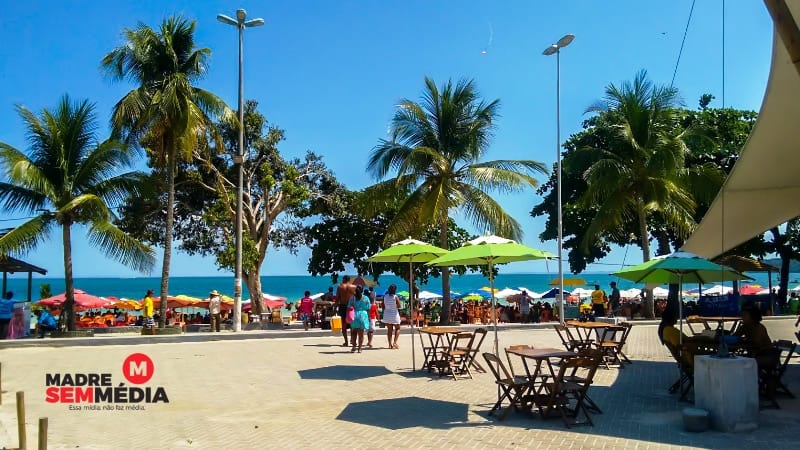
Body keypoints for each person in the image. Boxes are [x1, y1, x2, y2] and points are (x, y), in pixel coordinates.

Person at [736, 305, 777, 369]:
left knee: (741, 363)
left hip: (765, 355)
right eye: (742, 315)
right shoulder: (745, 326)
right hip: (754, 355)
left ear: (752, 317)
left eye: (745, 315)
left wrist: (744, 340)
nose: (742, 317)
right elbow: (736, 336)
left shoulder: (759, 328)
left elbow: (756, 343)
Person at [348, 286, 371, 353]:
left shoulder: (352, 298)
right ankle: (360, 348)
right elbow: (368, 308)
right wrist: (368, 318)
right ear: (362, 291)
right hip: (363, 316)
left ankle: (354, 347)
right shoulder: (366, 298)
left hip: (354, 315)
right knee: (361, 334)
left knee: (354, 332)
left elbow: (349, 307)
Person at [336, 275, 356, 347]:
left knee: (344, 325)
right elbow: (357, 297)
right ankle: (352, 340)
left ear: (344, 279)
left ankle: (346, 342)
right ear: (349, 280)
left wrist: (335, 308)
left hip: (343, 306)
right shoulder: (354, 287)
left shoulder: (340, 287)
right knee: (352, 324)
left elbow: (337, 298)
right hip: (351, 307)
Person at [382, 284, 402, 349]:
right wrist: (394, 306)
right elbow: (399, 306)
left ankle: (390, 344)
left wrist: (387, 308)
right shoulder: (395, 297)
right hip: (394, 315)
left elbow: (382, 306)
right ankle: (395, 342)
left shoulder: (385, 296)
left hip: (387, 315)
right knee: (398, 328)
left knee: (389, 330)